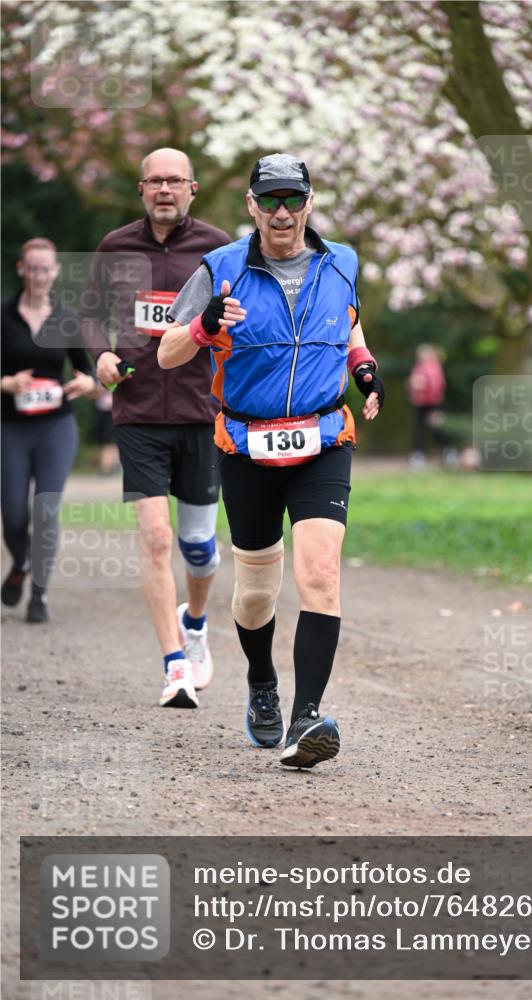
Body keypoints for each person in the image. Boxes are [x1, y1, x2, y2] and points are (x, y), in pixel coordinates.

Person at [159, 152, 384, 768]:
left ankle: (306, 719)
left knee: (320, 573)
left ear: (310, 202)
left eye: (294, 199)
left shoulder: (342, 262)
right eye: (270, 201)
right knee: (257, 589)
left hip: (321, 440)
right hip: (248, 444)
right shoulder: (221, 268)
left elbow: (349, 325)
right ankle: (262, 682)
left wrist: (363, 368)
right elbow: (169, 356)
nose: (282, 212)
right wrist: (205, 326)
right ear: (252, 206)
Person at [81, 148, 230, 709]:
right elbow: (91, 311)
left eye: (175, 180)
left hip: (200, 411)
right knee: (157, 538)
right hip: (139, 411)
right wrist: (98, 355)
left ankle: (194, 620)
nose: (164, 189)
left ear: (192, 188)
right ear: (141, 189)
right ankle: (174, 666)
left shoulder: (219, 248)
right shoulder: (116, 246)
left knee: (198, 548)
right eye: (154, 181)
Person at [1, 237, 102, 623]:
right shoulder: (3, 315)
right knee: (12, 515)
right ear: (21, 269)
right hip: (9, 426)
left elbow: (89, 371)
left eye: (46, 269)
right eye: (33, 268)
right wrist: (6, 384)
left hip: (55, 428)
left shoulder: (66, 318)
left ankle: (39, 595)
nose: (39, 275)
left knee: (46, 509)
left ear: (56, 272)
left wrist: (85, 384)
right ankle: (22, 562)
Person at [407, 343, 448, 467]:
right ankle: (418, 454)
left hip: (432, 404)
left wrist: (422, 386)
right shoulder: (419, 367)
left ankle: (448, 451)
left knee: (436, 429)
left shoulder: (434, 367)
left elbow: (437, 386)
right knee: (419, 429)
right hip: (420, 404)